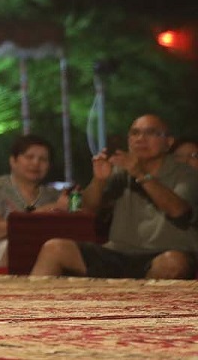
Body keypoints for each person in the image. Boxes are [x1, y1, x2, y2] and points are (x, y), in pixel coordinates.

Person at [31, 114, 198, 279]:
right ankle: (31, 306)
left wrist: (139, 173)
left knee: (172, 264)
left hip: (164, 253)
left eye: (150, 133)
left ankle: (137, 305)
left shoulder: (186, 173)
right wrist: (99, 180)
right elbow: (89, 208)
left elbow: (178, 211)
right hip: (117, 252)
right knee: (54, 248)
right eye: (135, 133)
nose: (140, 138)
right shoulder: (119, 171)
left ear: (168, 142)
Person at [0, 134, 68, 271]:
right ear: (13, 161)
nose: (36, 163)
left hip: (42, 251)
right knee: (22, 245)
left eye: (43, 159)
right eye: (29, 157)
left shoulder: (52, 194)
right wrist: (41, 213)